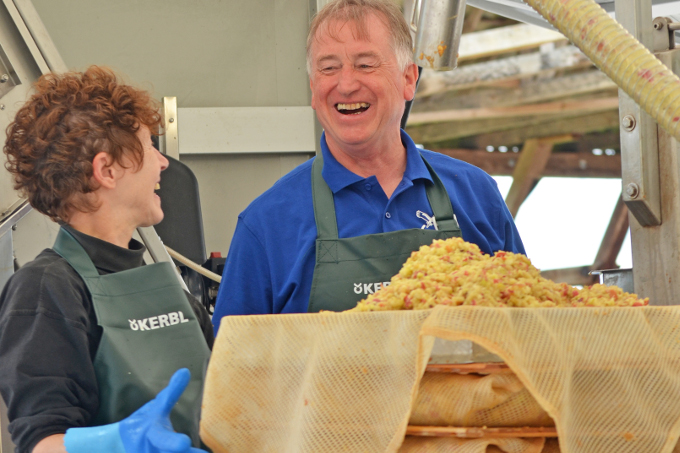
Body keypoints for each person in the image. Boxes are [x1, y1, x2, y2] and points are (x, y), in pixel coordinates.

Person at [211, 0, 525, 328]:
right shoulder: (267, 223)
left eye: (365, 65)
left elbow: (528, 331)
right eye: (328, 68)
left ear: (408, 79)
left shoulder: (476, 193)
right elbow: (233, 370)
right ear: (314, 90)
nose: (346, 85)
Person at [0, 66, 212, 453]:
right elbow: (41, 442)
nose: (163, 163)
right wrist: (115, 444)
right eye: (150, 146)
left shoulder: (170, 290)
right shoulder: (46, 289)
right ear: (107, 170)